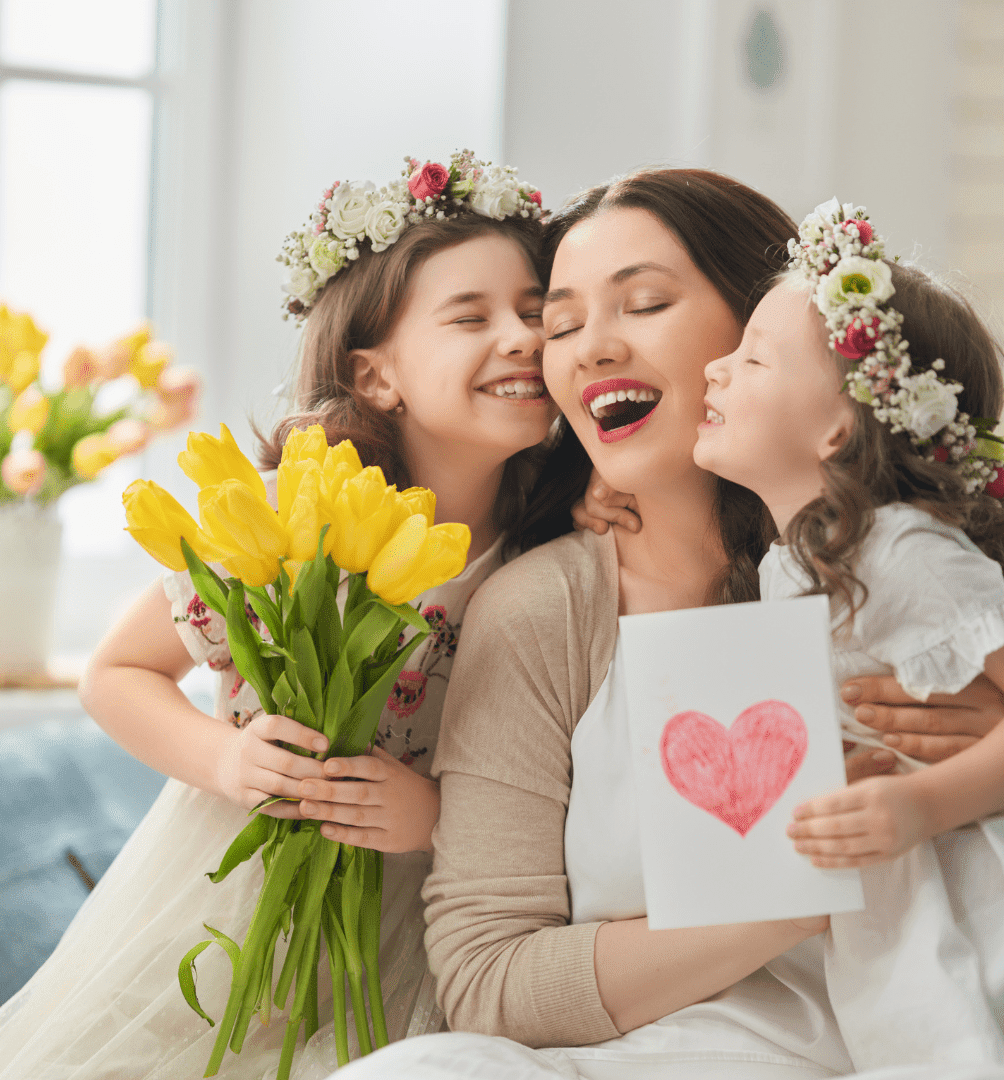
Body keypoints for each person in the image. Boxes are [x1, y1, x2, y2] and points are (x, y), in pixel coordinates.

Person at [329, 170, 1004, 1080]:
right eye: (560, 326)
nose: (589, 348)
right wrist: (788, 894)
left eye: (644, 303)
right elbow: (488, 978)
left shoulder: (899, 564)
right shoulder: (544, 609)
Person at [0, 151, 563, 1080]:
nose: (521, 337)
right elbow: (114, 673)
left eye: (535, 311)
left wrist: (438, 817)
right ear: (377, 375)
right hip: (227, 903)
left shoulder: (549, 558)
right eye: (471, 316)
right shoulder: (291, 513)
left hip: (411, 936)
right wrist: (231, 759)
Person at [694, 199, 1004, 1070]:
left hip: (968, 888)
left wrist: (924, 803)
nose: (714, 369)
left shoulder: (901, 551)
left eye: (753, 357)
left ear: (839, 426)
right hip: (888, 901)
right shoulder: (789, 565)